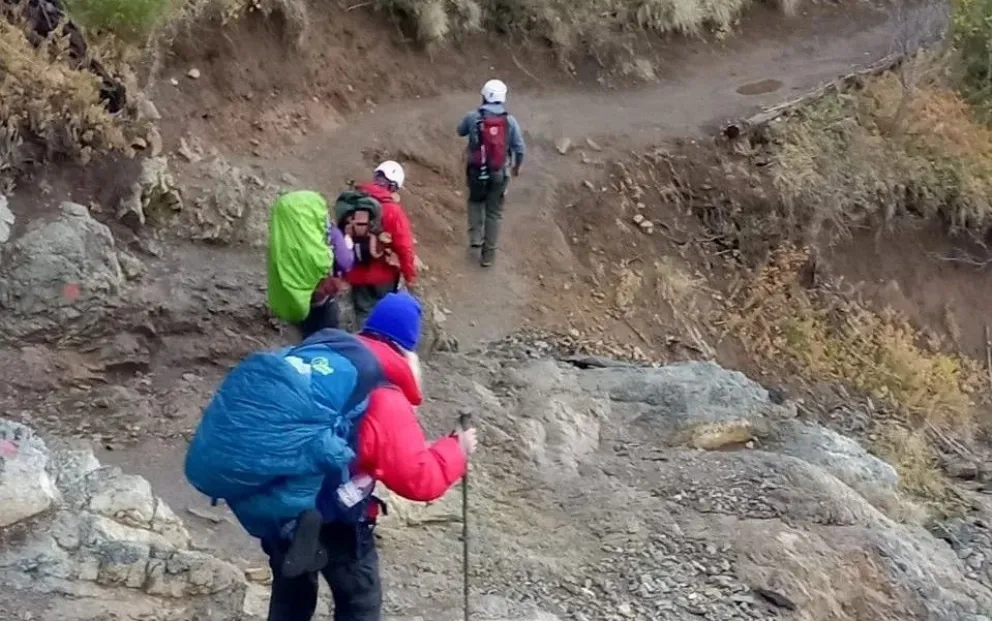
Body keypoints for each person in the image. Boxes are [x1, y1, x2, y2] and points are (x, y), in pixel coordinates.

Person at [264, 292, 478, 621]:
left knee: (290, 603)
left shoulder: (324, 359)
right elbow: (418, 478)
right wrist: (457, 449)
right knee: (360, 603)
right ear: (408, 345)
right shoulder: (381, 392)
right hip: (336, 518)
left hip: (279, 503)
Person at [267, 190, 355, 339]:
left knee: (304, 341)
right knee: (326, 343)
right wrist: (349, 244)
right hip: (323, 304)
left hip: (295, 305)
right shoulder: (327, 232)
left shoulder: (282, 239)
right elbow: (345, 260)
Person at [457, 79, 526, 268]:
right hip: (499, 172)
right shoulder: (509, 121)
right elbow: (520, 148)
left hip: (476, 171)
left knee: (475, 201)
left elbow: (459, 130)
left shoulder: (473, 117)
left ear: (484, 96)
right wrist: (517, 166)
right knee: (494, 213)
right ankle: (488, 256)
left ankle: (475, 238)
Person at [341, 161, 418, 328]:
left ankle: (364, 348)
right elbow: (404, 247)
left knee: (363, 317)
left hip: (355, 272)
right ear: (393, 186)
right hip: (383, 277)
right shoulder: (392, 210)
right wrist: (410, 276)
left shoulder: (353, 200)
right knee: (384, 318)